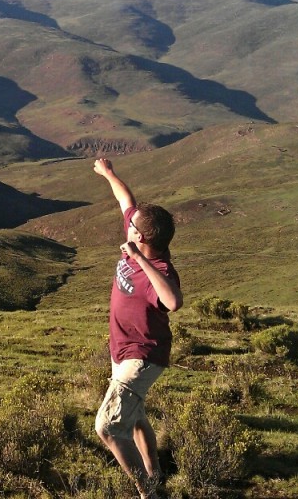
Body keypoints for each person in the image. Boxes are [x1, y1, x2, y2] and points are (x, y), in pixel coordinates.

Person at [93, 157, 183, 499]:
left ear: (141, 237)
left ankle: (148, 493)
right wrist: (108, 173)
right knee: (136, 418)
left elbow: (173, 302)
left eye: (133, 226)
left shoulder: (158, 268)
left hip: (142, 355)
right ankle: (155, 475)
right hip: (124, 348)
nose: (126, 223)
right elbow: (125, 201)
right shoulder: (141, 233)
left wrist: (140, 260)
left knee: (109, 427)